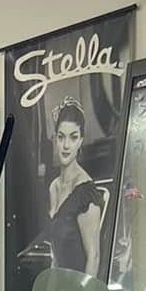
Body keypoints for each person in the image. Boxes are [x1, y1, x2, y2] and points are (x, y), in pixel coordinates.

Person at [45, 100, 105, 273]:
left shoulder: (86, 194)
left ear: (81, 141)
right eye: (61, 136)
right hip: (59, 289)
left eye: (73, 137)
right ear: (55, 138)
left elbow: (94, 257)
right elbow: (55, 256)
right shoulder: (53, 187)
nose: (66, 145)